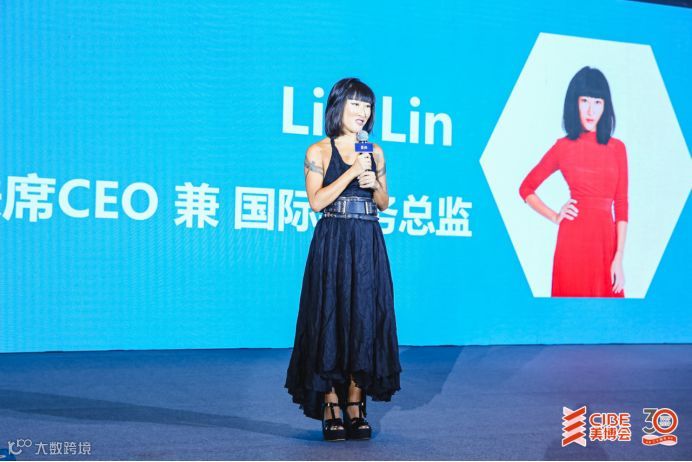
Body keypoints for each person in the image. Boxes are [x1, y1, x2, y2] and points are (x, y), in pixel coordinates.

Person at [284, 78, 402, 441]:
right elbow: (316, 202)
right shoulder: (318, 150)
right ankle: (331, 404)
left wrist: (374, 182)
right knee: (330, 318)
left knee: (363, 319)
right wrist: (351, 172)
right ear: (338, 107)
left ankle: (355, 403)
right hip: (333, 240)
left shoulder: (375, 152)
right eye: (356, 104)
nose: (362, 112)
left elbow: (384, 202)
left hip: (367, 239)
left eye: (367, 106)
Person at [519, 66, 629, 298]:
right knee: (571, 315)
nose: (590, 110)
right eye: (584, 100)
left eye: (597, 102)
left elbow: (621, 205)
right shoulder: (563, 147)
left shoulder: (617, 148)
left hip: (606, 244)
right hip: (572, 244)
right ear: (575, 103)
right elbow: (526, 188)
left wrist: (619, 256)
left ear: (605, 106)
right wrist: (555, 216)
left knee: (610, 315)